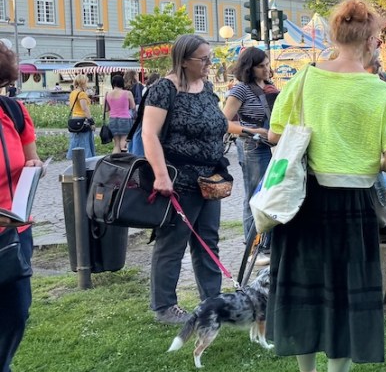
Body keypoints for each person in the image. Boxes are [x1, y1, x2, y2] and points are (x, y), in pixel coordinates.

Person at [266, 0, 386, 372]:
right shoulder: (378, 90)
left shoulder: (305, 78)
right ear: (370, 40)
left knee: (304, 293)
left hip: (303, 202)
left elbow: (275, 134)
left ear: (334, 35)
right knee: (346, 300)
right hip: (349, 206)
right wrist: (359, 154)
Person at [144, 35, 229, 325]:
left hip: (210, 179)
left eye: (209, 57)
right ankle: (164, 306)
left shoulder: (207, 88)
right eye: (203, 59)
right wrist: (161, 175)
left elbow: (218, 122)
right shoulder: (164, 89)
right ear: (183, 61)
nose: (209, 63)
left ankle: (212, 302)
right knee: (173, 243)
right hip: (179, 180)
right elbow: (149, 134)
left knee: (208, 241)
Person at [0, 43, 43, 372]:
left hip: (13, 229)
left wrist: (34, 167)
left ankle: (1, 371)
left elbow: (33, 159)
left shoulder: (13, 112)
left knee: (17, 310)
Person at [222, 47, 273, 249]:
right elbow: (223, 122)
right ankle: (253, 247)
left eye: (267, 64)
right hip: (252, 146)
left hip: (269, 145)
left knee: (268, 195)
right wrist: (253, 131)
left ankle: (266, 243)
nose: (266, 69)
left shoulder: (269, 86)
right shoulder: (241, 90)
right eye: (261, 66)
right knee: (254, 196)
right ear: (249, 68)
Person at [103, 74, 136, 153]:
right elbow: (133, 106)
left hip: (112, 119)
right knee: (124, 141)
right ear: (122, 82)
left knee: (116, 144)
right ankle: (123, 158)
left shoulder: (108, 94)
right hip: (125, 119)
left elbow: (106, 109)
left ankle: (115, 159)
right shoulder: (127, 93)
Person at [67, 74, 95, 159]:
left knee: (75, 140)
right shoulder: (82, 94)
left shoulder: (72, 93)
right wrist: (91, 121)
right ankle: (86, 160)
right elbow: (84, 108)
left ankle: (75, 158)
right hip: (82, 119)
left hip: (74, 118)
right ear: (83, 83)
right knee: (85, 142)